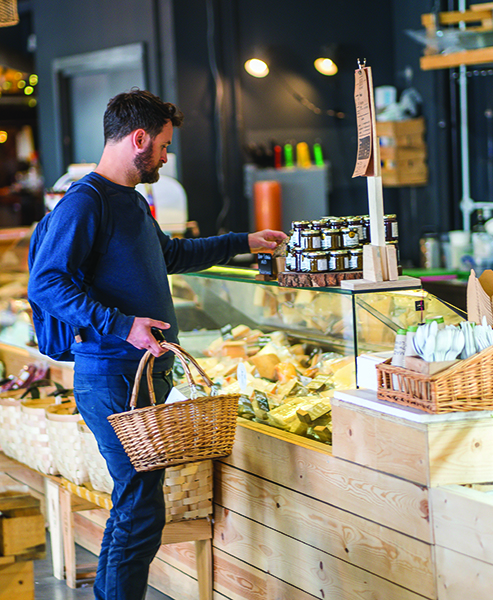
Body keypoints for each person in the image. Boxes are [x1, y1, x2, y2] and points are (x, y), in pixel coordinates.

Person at [27, 88, 286, 600]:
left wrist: (241, 242)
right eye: (164, 146)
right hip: (111, 375)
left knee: (136, 503)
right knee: (141, 505)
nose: (166, 156)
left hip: (138, 375)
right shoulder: (87, 200)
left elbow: (169, 253)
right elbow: (47, 283)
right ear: (138, 138)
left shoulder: (130, 201)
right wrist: (124, 326)